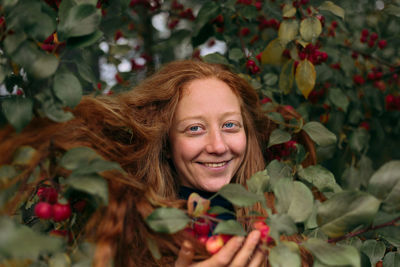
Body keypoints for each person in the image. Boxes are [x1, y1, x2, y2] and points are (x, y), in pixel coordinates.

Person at [0, 60, 316, 266]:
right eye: (195, 128)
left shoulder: (281, 220)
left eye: (230, 125)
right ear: (166, 144)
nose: (218, 146)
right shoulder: (125, 232)